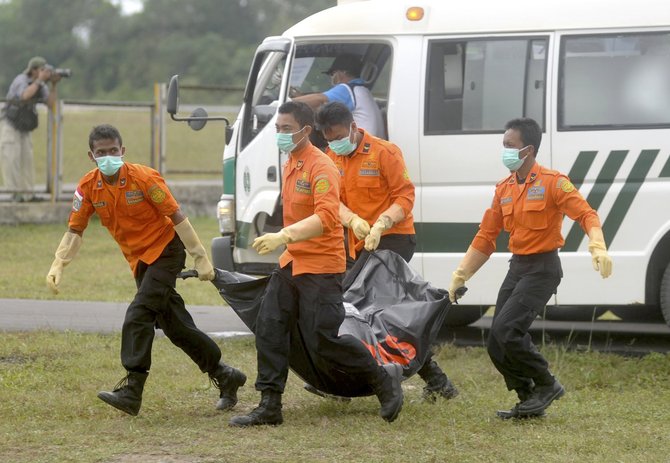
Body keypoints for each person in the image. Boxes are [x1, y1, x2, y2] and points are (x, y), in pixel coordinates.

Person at [45, 124, 246, 416]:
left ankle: (132, 389)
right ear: (92, 156)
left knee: (138, 314)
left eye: (113, 150)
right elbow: (76, 229)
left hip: (166, 250)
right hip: (139, 260)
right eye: (101, 152)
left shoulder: (143, 178)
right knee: (176, 327)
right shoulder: (88, 187)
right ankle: (226, 375)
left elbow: (176, 216)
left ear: (122, 151)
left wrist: (200, 256)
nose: (108, 156)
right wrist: (58, 263)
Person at [229, 101, 403, 427]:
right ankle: (269, 403)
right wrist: (287, 243)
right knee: (269, 326)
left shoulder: (321, 166)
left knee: (323, 338)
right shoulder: (291, 162)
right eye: (277, 128)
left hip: (322, 266)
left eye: (285, 129)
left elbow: (325, 217)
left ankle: (382, 378)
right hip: (293, 261)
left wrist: (283, 235)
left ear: (305, 130)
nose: (279, 135)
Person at [448, 117, 613, 419]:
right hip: (518, 267)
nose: (504, 151)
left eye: (509, 145)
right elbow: (486, 237)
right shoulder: (504, 189)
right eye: (503, 145)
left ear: (528, 150)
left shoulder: (553, 182)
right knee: (495, 342)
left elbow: (586, 214)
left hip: (543, 268)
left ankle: (547, 384)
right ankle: (528, 398)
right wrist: (461, 275)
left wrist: (597, 244)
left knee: (506, 330)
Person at [315, 101, 459, 403]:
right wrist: (351, 220)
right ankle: (436, 380)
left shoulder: (385, 152)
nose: (334, 144)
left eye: (338, 136)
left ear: (354, 127)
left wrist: (382, 221)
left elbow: (405, 195)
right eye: (328, 139)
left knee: (355, 307)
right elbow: (331, 201)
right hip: (359, 244)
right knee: (377, 316)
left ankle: (345, 380)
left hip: (393, 240)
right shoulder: (331, 157)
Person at [0, 56, 60, 202]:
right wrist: (39, 81)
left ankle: (28, 194)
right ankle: (14, 194)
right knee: (11, 159)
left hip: (24, 127)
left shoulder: (41, 85)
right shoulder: (21, 80)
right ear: (33, 70)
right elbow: (24, 96)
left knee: (27, 161)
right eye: (42, 70)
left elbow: (51, 104)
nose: (45, 73)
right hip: (10, 125)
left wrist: (53, 85)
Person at [293, 53, 386, 139]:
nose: (331, 77)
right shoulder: (361, 89)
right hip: (371, 145)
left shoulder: (346, 89)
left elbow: (320, 100)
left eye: (332, 74)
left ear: (342, 72)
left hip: (363, 148)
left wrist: (287, 102)